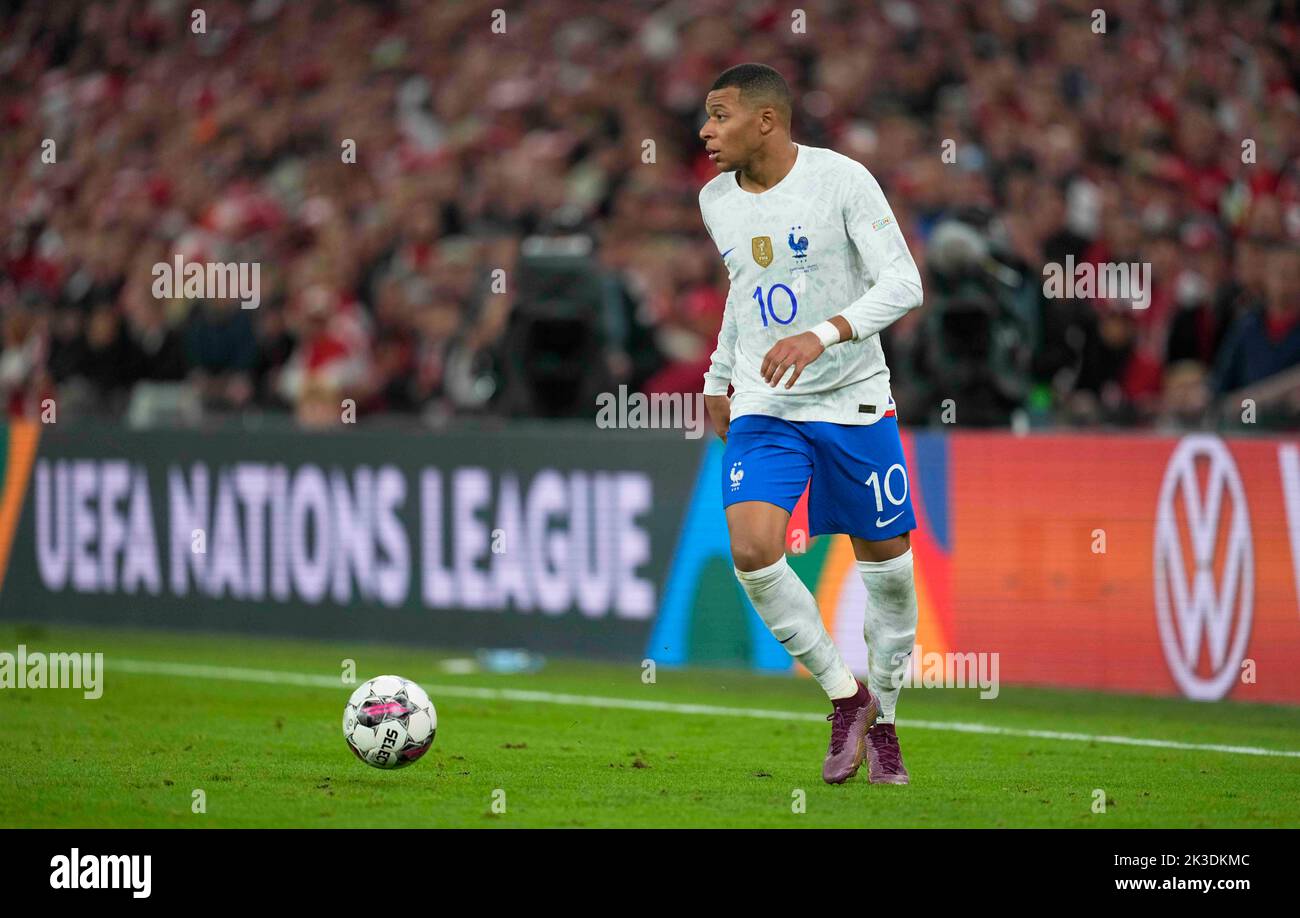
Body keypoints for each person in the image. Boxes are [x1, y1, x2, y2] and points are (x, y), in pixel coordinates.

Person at [698, 63, 924, 785]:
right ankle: (843, 695)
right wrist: (717, 373)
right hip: (768, 401)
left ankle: (883, 720)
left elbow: (904, 282)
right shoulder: (715, 200)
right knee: (753, 548)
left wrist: (824, 334)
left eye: (720, 114)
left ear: (767, 120)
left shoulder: (842, 181)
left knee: (888, 578)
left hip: (855, 398)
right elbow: (745, 289)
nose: (706, 131)